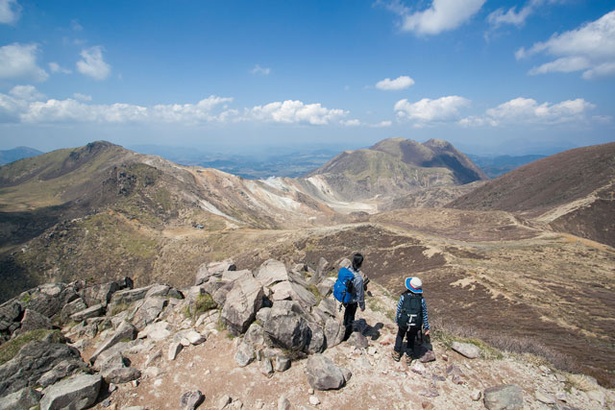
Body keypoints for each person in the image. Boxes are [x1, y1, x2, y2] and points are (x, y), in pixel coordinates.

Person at [392, 276, 430, 364]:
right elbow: (424, 313)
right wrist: (426, 327)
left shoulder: (403, 296)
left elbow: (399, 309)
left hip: (404, 321)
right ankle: (409, 357)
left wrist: (397, 320)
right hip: (415, 324)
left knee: (400, 335)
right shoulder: (421, 300)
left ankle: (397, 352)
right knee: (411, 338)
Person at [342, 252, 366, 340]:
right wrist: (362, 306)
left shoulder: (347, 269)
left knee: (346, 313)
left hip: (344, 296)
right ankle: (346, 335)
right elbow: (360, 294)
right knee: (350, 316)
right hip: (352, 300)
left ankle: (344, 325)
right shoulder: (358, 278)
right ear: (360, 264)